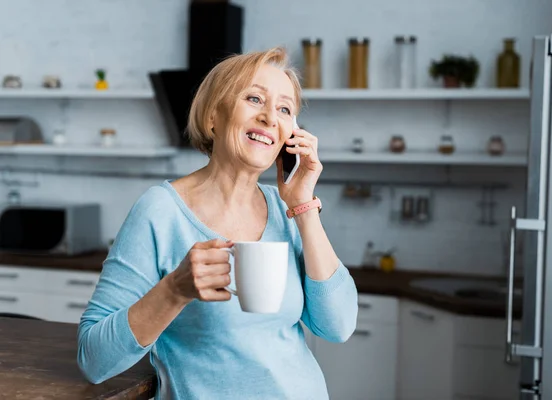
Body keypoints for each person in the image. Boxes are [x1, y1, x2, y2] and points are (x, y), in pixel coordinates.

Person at [77, 46, 358, 400]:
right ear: (213, 117)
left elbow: (338, 326)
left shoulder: (286, 209)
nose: (271, 117)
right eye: (255, 99)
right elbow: (93, 359)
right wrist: (174, 291)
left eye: (285, 109)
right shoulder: (161, 211)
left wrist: (303, 206)